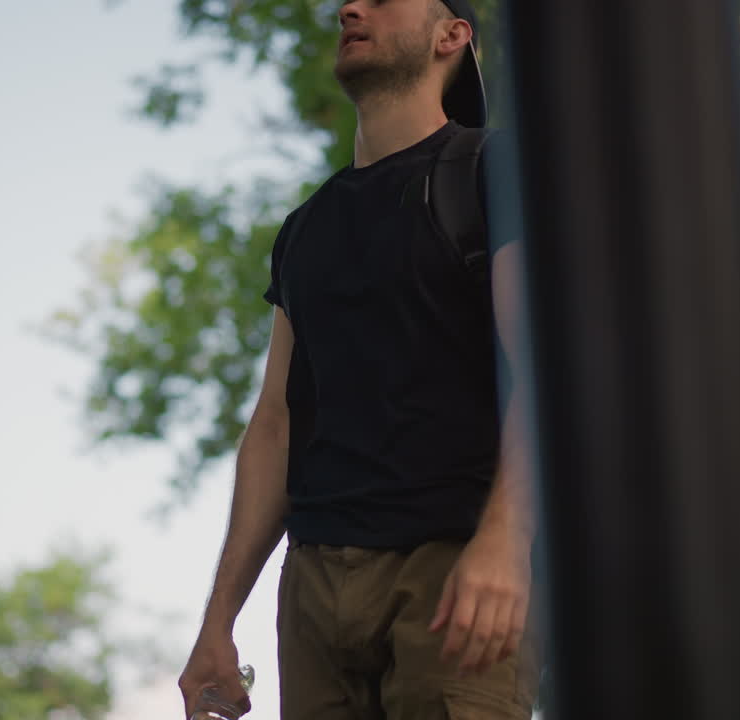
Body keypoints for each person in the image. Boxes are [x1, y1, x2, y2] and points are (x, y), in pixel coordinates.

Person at [178, 0, 540, 718]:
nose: (350, 8)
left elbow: (544, 372)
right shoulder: (304, 228)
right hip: (314, 590)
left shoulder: (491, 169)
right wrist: (218, 620)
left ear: (451, 36)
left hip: (453, 571)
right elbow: (276, 424)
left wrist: (505, 543)